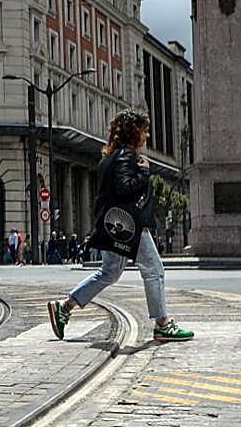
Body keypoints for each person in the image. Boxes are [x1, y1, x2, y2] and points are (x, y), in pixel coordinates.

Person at [48, 109, 194, 343]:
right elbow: (125, 188)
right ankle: (163, 324)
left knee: (110, 272)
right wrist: (145, 172)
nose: (147, 136)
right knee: (154, 270)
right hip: (129, 226)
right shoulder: (126, 156)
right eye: (144, 131)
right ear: (133, 131)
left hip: (114, 223)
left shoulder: (111, 156)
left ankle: (65, 307)